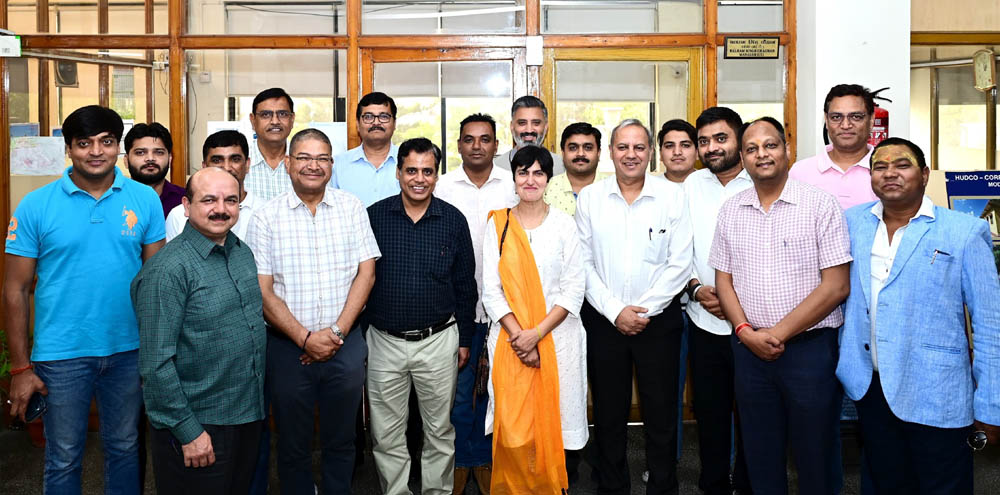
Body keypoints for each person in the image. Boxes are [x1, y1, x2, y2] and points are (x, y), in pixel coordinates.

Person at [4, 105, 165, 494]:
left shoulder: (144, 200)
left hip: (129, 352)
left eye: (106, 142)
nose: (96, 151)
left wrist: (157, 354)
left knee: (125, 448)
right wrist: (21, 368)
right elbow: (14, 290)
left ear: (118, 147)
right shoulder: (35, 205)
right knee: (63, 457)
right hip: (61, 355)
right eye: (84, 143)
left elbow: (156, 284)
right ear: (69, 149)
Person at [838, 137, 1000, 493]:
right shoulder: (852, 223)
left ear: (924, 175)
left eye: (902, 165)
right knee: (883, 483)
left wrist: (991, 404)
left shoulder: (964, 231)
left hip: (937, 390)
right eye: (880, 167)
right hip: (871, 388)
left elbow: (991, 324)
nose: (889, 173)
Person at [710, 117, 851, 494]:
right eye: (752, 148)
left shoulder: (820, 205)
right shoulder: (731, 209)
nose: (762, 154)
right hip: (749, 351)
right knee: (760, 452)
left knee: (816, 453)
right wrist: (745, 332)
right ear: (743, 158)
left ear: (787, 149)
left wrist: (776, 334)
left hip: (809, 351)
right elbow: (723, 280)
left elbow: (837, 285)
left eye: (770, 145)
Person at [247, 128, 380, 494]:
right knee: (293, 442)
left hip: (345, 344)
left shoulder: (351, 207)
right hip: (287, 348)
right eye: (304, 158)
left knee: (342, 439)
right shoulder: (266, 217)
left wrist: (335, 334)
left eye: (322, 158)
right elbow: (263, 290)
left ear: (331, 165)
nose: (313, 165)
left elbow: (366, 274)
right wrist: (305, 339)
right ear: (289, 163)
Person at [132, 167, 266, 495]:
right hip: (198, 423)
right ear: (186, 206)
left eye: (230, 200)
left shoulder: (241, 253)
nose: (221, 209)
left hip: (245, 414)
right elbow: (156, 365)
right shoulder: (167, 270)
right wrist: (188, 431)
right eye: (208, 200)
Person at [576, 119, 693, 494]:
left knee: (661, 414)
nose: (631, 154)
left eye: (639, 147)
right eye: (623, 147)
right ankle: (612, 487)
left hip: (658, 323)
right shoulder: (591, 198)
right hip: (604, 321)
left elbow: (680, 263)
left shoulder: (672, 197)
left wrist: (643, 310)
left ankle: (663, 486)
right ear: (611, 152)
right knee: (608, 414)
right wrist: (615, 311)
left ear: (651, 153)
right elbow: (582, 263)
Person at [365, 138, 477, 495]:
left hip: (438, 340)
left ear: (436, 176)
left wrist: (464, 340)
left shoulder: (453, 221)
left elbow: (466, 286)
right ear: (398, 173)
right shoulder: (373, 217)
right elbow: (359, 280)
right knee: (386, 434)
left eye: (427, 171)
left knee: (439, 430)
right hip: (384, 341)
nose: (419, 179)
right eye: (411, 170)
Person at [482, 145, 587, 494]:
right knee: (515, 429)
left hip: (558, 341)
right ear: (513, 178)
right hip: (509, 342)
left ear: (548, 179)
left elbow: (573, 290)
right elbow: (491, 291)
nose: (530, 180)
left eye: (538, 173)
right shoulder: (498, 224)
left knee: (555, 423)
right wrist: (521, 338)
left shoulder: (564, 224)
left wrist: (536, 335)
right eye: (523, 172)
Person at [435, 113, 519, 494]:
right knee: (458, 394)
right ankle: (461, 463)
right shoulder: (442, 186)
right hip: (456, 308)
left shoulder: (512, 186)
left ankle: (484, 460)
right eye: (469, 139)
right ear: (458, 146)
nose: (477, 146)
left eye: (485, 139)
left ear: (496, 146)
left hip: (505, 307)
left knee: (494, 393)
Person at [684, 107, 753, 495]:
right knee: (710, 414)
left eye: (721, 138)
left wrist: (733, 300)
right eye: (704, 141)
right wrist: (696, 288)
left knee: (753, 414)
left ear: (739, 140)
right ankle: (712, 485)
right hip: (704, 319)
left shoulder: (761, 180)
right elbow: (678, 249)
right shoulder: (691, 186)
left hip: (754, 324)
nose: (712, 147)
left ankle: (748, 484)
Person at [789, 84, 878, 210]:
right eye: (836, 117)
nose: (846, 125)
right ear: (826, 120)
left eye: (856, 117)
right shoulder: (800, 172)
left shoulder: (888, 173)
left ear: (871, 120)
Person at [165, 130, 262, 241]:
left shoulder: (264, 212)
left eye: (235, 159)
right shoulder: (179, 215)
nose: (226, 168)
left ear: (247, 164)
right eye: (217, 160)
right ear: (204, 166)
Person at [333, 91, 401, 206]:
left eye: (384, 117)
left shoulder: (409, 163)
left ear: (394, 123)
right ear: (357, 124)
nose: (376, 122)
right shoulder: (337, 165)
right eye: (368, 117)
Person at [543, 122, 611, 216]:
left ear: (598, 153)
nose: (580, 154)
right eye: (573, 148)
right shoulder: (547, 189)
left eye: (588, 148)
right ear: (563, 153)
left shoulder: (613, 188)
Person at [124, 122, 185, 217]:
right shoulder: (113, 200)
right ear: (126, 160)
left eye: (159, 152)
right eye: (140, 152)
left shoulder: (185, 199)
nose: (150, 158)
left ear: (170, 159)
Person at [244, 87, 295, 201]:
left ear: (292, 119)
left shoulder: (304, 163)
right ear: (253, 120)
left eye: (282, 114)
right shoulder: (239, 163)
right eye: (266, 115)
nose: (275, 121)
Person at [493, 96, 565, 176]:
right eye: (522, 123)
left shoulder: (562, 167)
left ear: (545, 127)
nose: (529, 130)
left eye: (536, 123)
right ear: (512, 127)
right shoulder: (495, 167)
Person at [658, 119, 698, 183]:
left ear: (697, 153)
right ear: (660, 154)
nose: (677, 152)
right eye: (669, 146)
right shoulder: (648, 187)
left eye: (685, 145)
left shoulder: (712, 185)